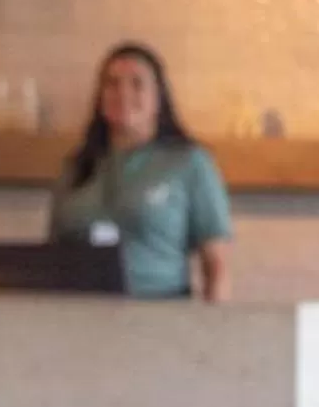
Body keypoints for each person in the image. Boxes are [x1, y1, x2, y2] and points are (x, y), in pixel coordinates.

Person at [45, 42, 232, 300]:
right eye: (111, 84)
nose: (122, 93)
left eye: (137, 83)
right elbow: (50, 255)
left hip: (160, 317)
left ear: (159, 97)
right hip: (81, 316)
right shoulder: (75, 167)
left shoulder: (189, 163)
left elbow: (216, 265)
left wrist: (213, 332)